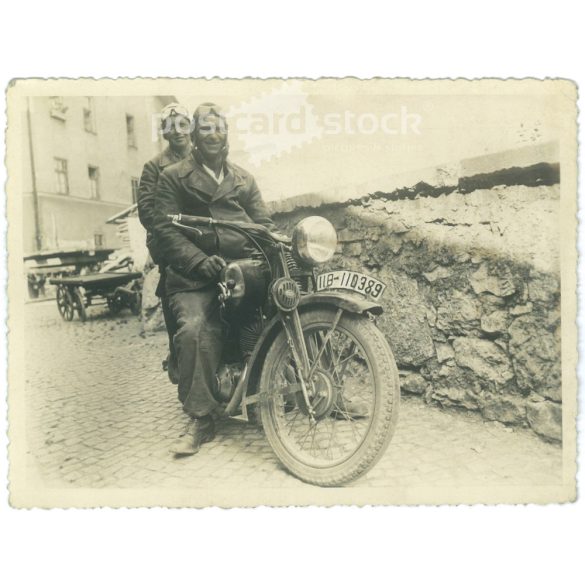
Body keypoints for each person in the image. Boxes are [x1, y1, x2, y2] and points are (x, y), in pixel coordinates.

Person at [153, 103, 276, 456]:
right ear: (193, 136)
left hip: (241, 270)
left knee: (291, 298)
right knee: (194, 329)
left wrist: (284, 245)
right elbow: (164, 230)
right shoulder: (173, 176)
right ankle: (202, 417)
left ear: (227, 135)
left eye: (218, 128)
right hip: (194, 277)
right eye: (204, 129)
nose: (212, 134)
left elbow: (263, 224)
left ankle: (314, 386)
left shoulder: (243, 179)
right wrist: (199, 261)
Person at [137, 103, 192, 383]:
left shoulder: (203, 159)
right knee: (176, 302)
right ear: (164, 132)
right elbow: (147, 212)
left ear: (191, 126)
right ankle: (180, 363)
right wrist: (174, 235)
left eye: (183, 124)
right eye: (171, 127)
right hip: (171, 246)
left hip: (205, 243)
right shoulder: (154, 167)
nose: (178, 131)